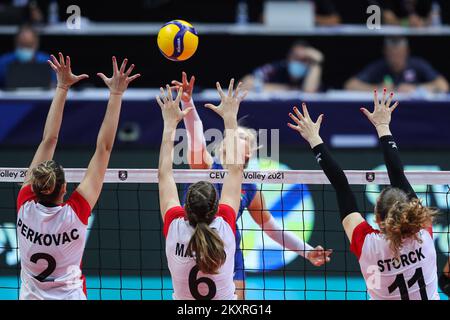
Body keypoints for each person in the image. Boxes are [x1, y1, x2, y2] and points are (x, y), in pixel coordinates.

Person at [171, 72, 332, 299]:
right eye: (237, 142)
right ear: (224, 147)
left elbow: (272, 228)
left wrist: (307, 252)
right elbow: (195, 133)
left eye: (246, 145)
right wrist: (187, 101)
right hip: (193, 244)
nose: (242, 148)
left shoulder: (249, 187)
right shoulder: (206, 168)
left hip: (229, 250)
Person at [288, 89, 440, 300]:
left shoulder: (369, 244)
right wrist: (383, 126)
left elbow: (341, 186)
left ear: (377, 219)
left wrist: (314, 139)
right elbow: (398, 175)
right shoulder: (423, 233)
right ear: (411, 209)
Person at [16, 53, 140, 300]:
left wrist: (61, 87)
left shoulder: (24, 205)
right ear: (64, 189)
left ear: (35, 188)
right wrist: (116, 95)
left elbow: (48, 140)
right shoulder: (75, 213)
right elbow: (104, 148)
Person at [157, 79, 245, 300]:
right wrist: (230, 118)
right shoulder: (225, 226)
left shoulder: (175, 226)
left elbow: (164, 175)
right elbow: (236, 170)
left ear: (185, 206)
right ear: (216, 208)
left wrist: (169, 125)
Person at [345, 37, 449, 93]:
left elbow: (443, 85)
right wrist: (378, 89)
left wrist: (416, 89)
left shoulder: (417, 64)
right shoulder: (379, 67)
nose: (395, 58)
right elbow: (350, 85)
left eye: (399, 54)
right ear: (385, 52)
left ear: (406, 52)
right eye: (392, 54)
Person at [242, 41, 324, 93]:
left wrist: (316, 63)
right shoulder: (277, 68)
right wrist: (286, 88)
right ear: (288, 58)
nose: (299, 62)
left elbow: (309, 91)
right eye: (296, 57)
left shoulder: (312, 72)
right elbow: (245, 83)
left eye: (303, 60)